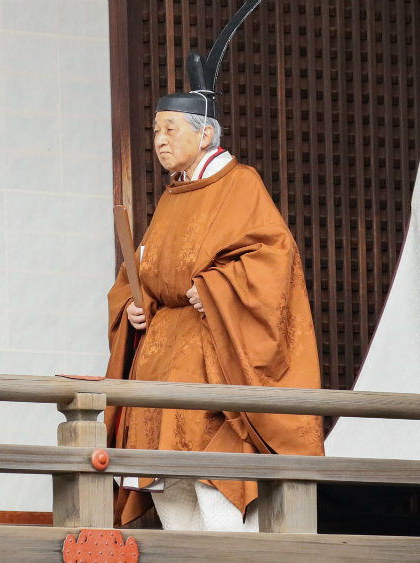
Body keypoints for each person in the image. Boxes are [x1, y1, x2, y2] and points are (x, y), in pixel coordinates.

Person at [104, 0, 324, 532]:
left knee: (216, 500)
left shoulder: (240, 184)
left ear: (206, 133)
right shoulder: (173, 198)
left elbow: (274, 261)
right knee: (173, 502)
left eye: (170, 130)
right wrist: (134, 305)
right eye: (156, 130)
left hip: (212, 365)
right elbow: (146, 271)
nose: (158, 141)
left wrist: (217, 286)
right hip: (161, 374)